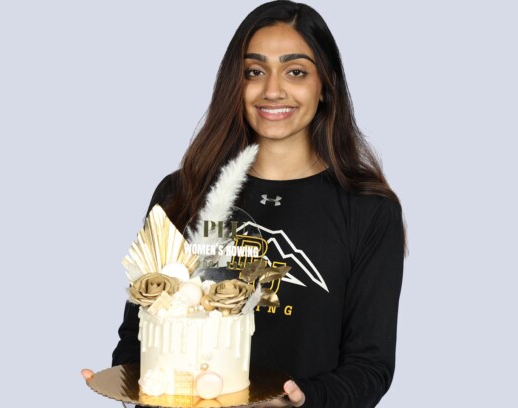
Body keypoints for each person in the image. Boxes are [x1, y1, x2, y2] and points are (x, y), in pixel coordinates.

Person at [82, 1, 406, 407]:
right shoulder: (180, 195)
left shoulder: (368, 210)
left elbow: (369, 367)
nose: (272, 89)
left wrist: (300, 401)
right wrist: (131, 382)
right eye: (254, 71)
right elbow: (137, 339)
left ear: (326, 86)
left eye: (296, 72)